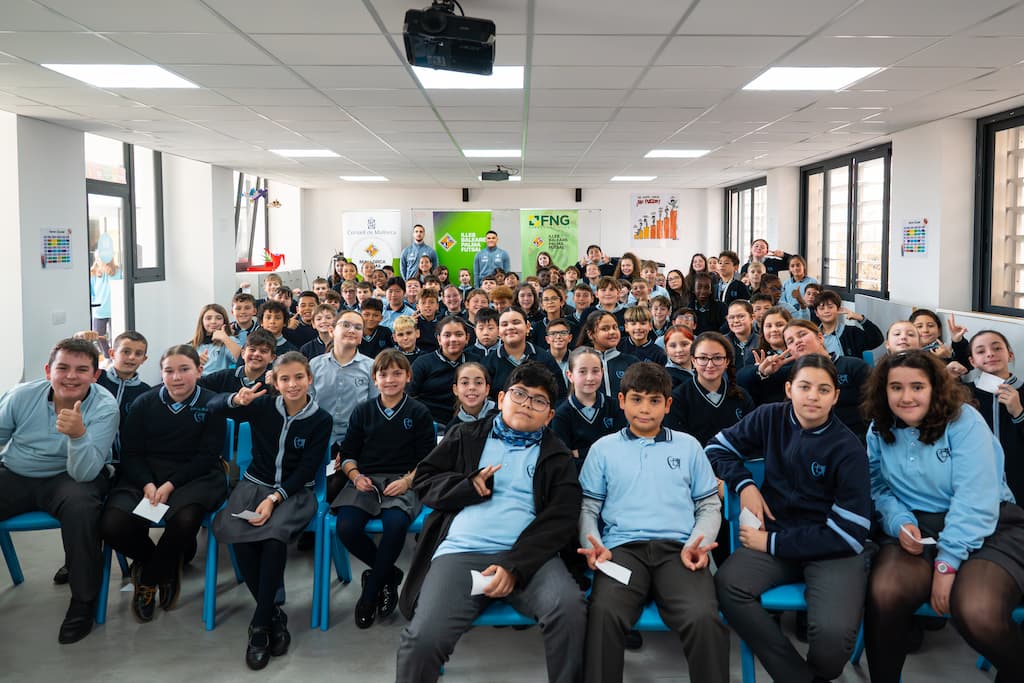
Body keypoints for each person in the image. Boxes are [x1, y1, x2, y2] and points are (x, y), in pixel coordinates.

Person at [396, 362, 586, 683]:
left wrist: (514, 566)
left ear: (550, 416)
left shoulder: (557, 455)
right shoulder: (465, 436)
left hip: (531, 558)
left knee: (569, 610)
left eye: (539, 401)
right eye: (519, 394)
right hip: (461, 552)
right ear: (500, 398)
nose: (527, 404)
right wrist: (466, 486)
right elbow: (425, 481)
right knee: (422, 639)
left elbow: (562, 517)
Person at [709, 354, 873, 683]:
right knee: (729, 585)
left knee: (832, 639)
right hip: (778, 534)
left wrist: (772, 542)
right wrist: (745, 485)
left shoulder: (848, 448)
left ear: (835, 397)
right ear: (788, 389)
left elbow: (849, 534)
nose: (813, 396)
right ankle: (796, 676)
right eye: (804, 387)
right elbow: (716, 448)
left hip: (831, 549)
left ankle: (817, 675)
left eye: (823, 390)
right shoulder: (770, 416)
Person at [862, 350, 1024, 683]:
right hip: (918, 527)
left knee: (978, 610)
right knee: (885, 593)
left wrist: (947, 563)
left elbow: (976, 497)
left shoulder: (964, 421)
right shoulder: (879, 428)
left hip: (989, 525)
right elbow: (877, 487)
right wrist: (899, 521)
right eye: (896, 387)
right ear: (883, 391)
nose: (906, 397)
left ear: (935, 388)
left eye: (917, 386)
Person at [579, 362, 729, 683]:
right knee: (603, 614)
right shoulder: (602, 450)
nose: (645, 409)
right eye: (636, 399)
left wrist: (699, 543)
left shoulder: (689, 446)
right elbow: (588, 508)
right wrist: (594, 543)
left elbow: (708, 504)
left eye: (654, 401)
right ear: (622, 401)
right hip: (621, 551)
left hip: (679, 550)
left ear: (668, 404)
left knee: (702, 616)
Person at [209, 351, 331, 669]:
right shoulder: (262, 406)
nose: (293, 384)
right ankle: (274, 615)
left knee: (274, 538)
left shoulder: (321, 419)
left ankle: (260, 626)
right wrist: (236, 399)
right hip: (253, 486)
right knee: (239, 535)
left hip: (294, 492)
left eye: (299, 377)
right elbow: (212, 406)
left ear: (309, 379)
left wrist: (276, 498)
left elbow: (307, 469)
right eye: (285, 379)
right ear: (275, 382)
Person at [0, 338, 119, 643]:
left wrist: (77, 436)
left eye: (82, 370)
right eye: (63, 368)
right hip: (17, 472)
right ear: (48, 370)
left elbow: (85, 472)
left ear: (95, 375)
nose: (71, 376)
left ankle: (83, 603)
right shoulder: (21, 396)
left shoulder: (105, 406)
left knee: (82, 510)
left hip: (73, 475)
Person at [99, 345, 227, 623]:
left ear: (199, 371)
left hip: (195, 475)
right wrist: (147, 483)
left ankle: (149, 579)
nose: (176, 377)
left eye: (184, 369)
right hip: (145, 474)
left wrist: (170, 484)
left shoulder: (213, 403)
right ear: (161, 373)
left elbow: (207, 456)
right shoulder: (144, 403)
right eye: (169, 371)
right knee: (112, 524)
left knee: (186, 519)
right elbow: (131, 452)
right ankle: (163, 564)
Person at [332, 350, 435, 629]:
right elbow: (348, 455)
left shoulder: (419, 412)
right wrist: (355, 476)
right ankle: (388, 575)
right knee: (346, 528)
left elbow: (428, 461)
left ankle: (369, 594)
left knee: (395, 523)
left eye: (397, 373)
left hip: (403, 480)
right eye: (383, 374)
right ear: (374, 379)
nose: (390, 379)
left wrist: (407, 481)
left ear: (408, 377)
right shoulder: (363, 411)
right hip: (365, 479)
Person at [740, 319, 870, 439]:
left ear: (820, 338)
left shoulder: (853, 366)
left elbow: (875, 405)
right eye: (790, 341)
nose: (797, 341)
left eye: (802, 334)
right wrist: (761, 372)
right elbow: (740, 382)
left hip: (854, 440)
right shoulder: (791, 375)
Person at [667, 331, 755, 447]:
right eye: (703, 358)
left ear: (727, 361)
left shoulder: (741, 396)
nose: (710, 365)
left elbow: (751, 437)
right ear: (693, 360)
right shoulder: (678, 399)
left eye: (717, 358)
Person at [967, 330, 1024, 498]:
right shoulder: (962, 393)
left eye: (997, 348)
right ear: (972, 361)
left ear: (1010, 355)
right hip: (977, 483)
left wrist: (1018, 412)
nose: (990, 354)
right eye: (981, 351)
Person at [551, 347, 626, 468]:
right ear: (570, 375)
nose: (590, 378)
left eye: (595, 371)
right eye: (582, 371)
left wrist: (580, 453)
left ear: (602, 372)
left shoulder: (615, 406)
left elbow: (620, 448)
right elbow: (563, 459)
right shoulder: (561, 415)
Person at [483, 308, 565, 402]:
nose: (510, 327)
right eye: (504, 324)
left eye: (516, 322)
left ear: (527, 326)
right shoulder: (488, 362)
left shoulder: (545, 359)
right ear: (498, 331)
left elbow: (560, 396)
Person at [410, 315, 474, 424]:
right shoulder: (422, 363)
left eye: (459, 334)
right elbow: (409, 395)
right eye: (447, 335)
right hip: (430, 422)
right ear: (439, 339)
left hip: (467, 422)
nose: (453, 339)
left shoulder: (475, 362)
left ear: (467, 338)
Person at [575, 310, 640, 398]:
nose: (612, 332)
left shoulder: (632, 362)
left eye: (615, 327)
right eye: (605, 329)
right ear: (590, 334)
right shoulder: (581, 362)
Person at [201, 329, 277, 395]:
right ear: (243, 354)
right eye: (252, 350)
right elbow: (198, 384)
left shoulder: (273, 383)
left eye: (263, 351)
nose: (256, 354)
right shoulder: (225, 376)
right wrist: (196, 366)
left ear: (272, 358)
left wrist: (275, 387)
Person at [814, 290, 883, 358]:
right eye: (821, 308)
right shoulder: (813, 335)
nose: (826, 311)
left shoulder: (851, 332)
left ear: (838, 309)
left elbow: (877, 340)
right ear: (816, 313)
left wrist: (860, 318)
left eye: (830, 307)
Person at [444, 362, 497, 434]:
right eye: (465, 383)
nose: (472, 387)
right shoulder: (453, 428)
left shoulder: (502, 415)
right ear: (455, 389)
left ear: (487, 389)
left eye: (478, 383)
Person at [190, 303, 241, 375]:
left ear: (224, 321)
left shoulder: (229, 340)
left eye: (218, 318)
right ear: (202, 321)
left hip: (219, 380)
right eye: (208, 318)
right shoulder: (192, 345)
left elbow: (242, 359)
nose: (213, 321)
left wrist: (225, 338)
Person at [89, 254, 119, 358]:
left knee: (116, 337)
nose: (100, 260)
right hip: (99, 310)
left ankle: (116, 357)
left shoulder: (118, 271)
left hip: (115, 310)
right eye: (98, 258)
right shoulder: (93, 273)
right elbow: (91, 292)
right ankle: (107, 356)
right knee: (98, 335)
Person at [533, 286, 576, 351]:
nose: (550, 302)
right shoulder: (536, 328)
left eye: (554, 298)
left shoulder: (572, 326)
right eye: (546, 299)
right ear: (542, 305)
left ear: (561, 302)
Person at [724, 300, 760, 369]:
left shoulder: (761, 342)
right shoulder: (721, 342)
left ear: (752, 318)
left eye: (741, 316)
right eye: (731, 317)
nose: (736, 321)